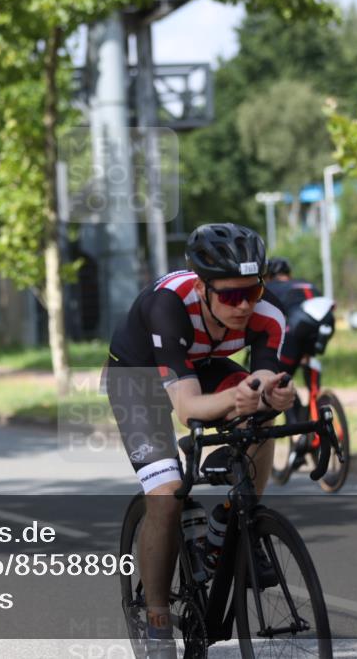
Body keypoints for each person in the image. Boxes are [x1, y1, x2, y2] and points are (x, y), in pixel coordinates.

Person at [105, 223, 296, 656]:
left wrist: (274, 394)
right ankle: (157, 622)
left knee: (261, 416)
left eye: (252, 291)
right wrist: (236, 397)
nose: (244, 305)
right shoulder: (167, 306)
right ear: (201, 288)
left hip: (203, 363)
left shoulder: (269, 312)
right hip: (138, 378)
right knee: (167, 494)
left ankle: (232, 520)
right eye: (230, 296)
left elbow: (263, 377)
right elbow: (188, 408)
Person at [264, 257, 336, 373]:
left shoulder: (272, 286)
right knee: (306, 358)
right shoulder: (306, 283)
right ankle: (314, 382)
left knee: (281, 370)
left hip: (299, 322)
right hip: (327, 319)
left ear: (269, 274)